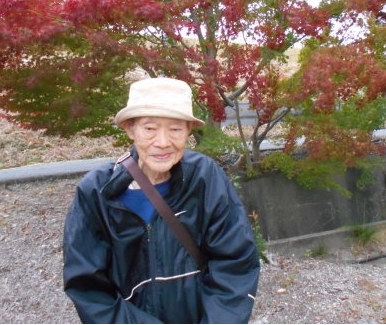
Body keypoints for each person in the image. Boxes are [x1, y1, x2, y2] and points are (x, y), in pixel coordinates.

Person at [63, 77, 260, 323]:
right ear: (130, 129)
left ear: (188, 131)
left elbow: (235, 264)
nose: (163, 142)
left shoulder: (205, 179)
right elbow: (88, 288)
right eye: (150, 129)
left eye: (175, 129)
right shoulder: (98, 192)